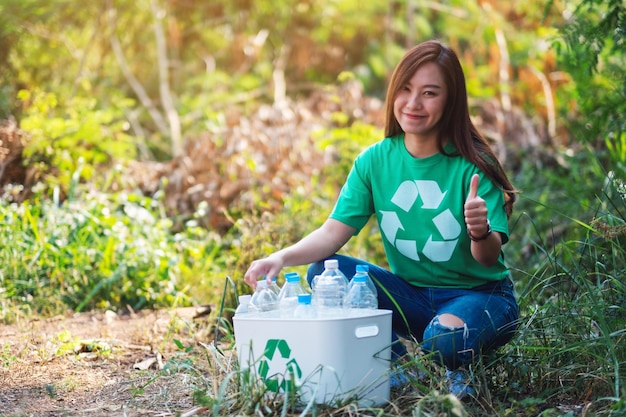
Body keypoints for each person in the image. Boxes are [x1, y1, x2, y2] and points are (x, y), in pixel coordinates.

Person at [243, 39, 519, 399]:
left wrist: (479, 231)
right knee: (325, 270)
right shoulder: (375, 161)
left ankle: (456, 365)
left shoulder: (474, 165)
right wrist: (280, 257)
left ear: (451, 101)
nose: (413, 103)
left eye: (430, 93)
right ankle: (396, 367)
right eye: (405, 89)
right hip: (413, 295)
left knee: (444, 340)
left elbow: (487, 257)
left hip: (481, 296)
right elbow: (332, 233)